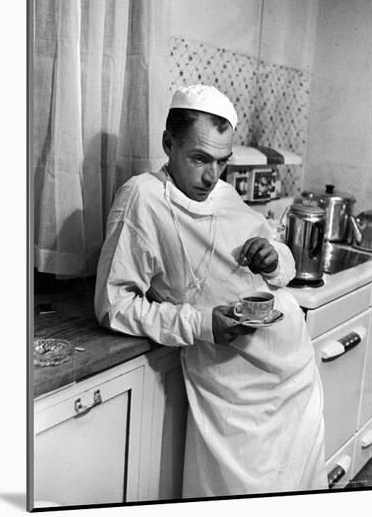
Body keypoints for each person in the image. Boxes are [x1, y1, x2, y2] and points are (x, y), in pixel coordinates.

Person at [95, 84, 328, 497]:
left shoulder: (222, 192)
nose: (211, 175)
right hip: (234, 390)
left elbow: (282, 266)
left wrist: (272, 256)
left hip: (293, 373)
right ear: (168, 143)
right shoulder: (143, 198)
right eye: (200, 158)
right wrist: (201, 324)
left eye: (222, 161)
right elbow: (114, 304)